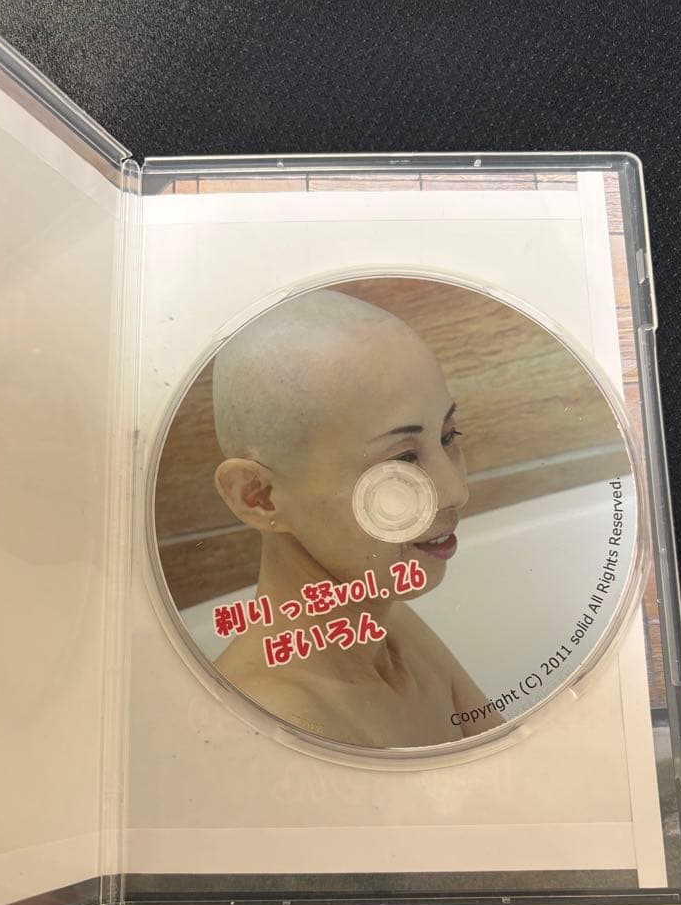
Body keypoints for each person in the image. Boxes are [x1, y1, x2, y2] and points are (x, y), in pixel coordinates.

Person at [211, 288, 502, 748]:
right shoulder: (274, 726)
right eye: (402, 460)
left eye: (449, 435)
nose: (455, 491)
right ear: (260, 496)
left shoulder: (388, 622)